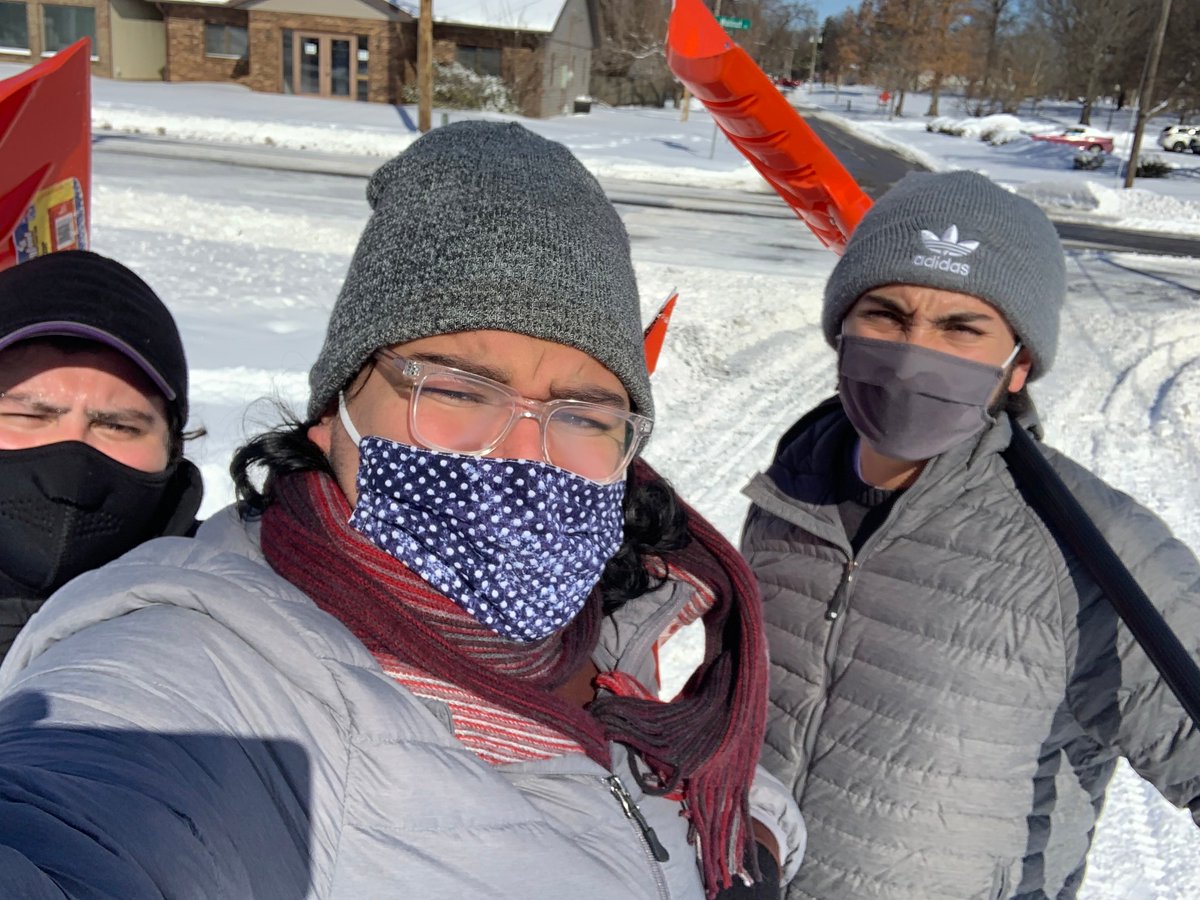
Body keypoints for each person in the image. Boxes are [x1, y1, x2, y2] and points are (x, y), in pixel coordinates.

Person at [0, 122, 803, 899]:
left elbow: (639, 764)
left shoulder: (592, 619)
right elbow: (83, 826)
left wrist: (749, 833)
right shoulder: (200, 666)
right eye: (454, 390)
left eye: (585, 414)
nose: (525, 456)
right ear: (333, 416)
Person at [741, 169, 1200, 899]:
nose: (914, 350)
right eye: (885, 314)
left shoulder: (1093, 543)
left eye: (962, 328)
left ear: (1018, 366)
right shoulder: (789, 493)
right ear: (841, 332)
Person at [0, 249, 202, 663]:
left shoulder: (225, 620)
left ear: (171, 449)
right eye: (27, 415)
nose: (74, 458)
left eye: (119, 426)